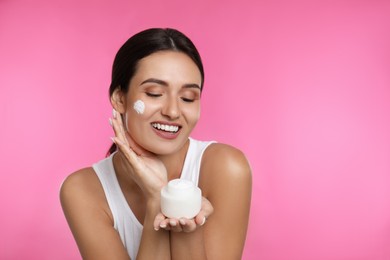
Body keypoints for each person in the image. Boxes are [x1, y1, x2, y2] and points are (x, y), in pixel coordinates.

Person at [60, 28, 252, 260]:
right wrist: (156, 200)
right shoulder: (82, 190)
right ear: (120, 98)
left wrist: (182, 219)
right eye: (154, 93)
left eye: (188, 98)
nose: (172, 111)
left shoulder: (226, 168)